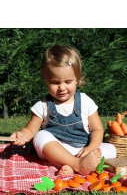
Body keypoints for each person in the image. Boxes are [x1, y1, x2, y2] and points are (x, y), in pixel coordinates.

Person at [10, 45, 116, 175]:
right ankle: (77, 164)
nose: (61, 87)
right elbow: (30, 130)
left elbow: (97, 129)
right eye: (55, 82)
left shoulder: (85, 101)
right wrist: (22, 135)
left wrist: (91, 148)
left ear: (77, 79)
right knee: (39, 136)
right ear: (47, 81)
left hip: (82, 150)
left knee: (111, 149)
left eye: (68, 81)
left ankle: (73, 165)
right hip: (55, 151)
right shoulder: (43, 104)